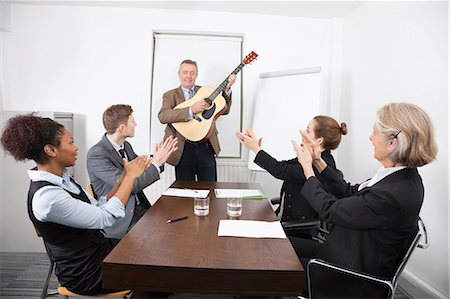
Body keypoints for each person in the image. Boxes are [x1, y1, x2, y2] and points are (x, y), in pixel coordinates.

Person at [292, 102, 437, 297]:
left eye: (375, 132)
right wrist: (318, 161)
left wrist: (308, 170)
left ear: (392, 142)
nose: (371, 137)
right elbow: (348, 191)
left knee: (271, 265)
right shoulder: (398, 177)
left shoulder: (393, 194)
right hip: (342, 253)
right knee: (278, 243)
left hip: (346, 277)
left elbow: (330, 210)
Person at [0, 113, 152, 295]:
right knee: (156, 272)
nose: (76, 148)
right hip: (87, 273)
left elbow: (99, 206)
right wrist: (130, 177)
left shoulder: (63, 180)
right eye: (71, 142)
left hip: (99, 251)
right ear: (51, 150)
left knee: (154, 253)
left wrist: (122, 180)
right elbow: (105, 218)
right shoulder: (47, 198)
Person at [236, 116, 346, 258]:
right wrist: (257, 149)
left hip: (298, 229)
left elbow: (280, 171)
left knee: (251, 243)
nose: (303, 134)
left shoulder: (320, 164)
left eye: (307, 130)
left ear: (319, 140)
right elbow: (281, 166)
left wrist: (256, 149)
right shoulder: (309, 156)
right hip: (286, 221)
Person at [87, 104, 178, 239]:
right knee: (163, 236)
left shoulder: (126, 146)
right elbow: (131, 185)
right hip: (121, 219)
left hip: (139, 208)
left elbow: (140, 169)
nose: (136, 124)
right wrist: (156, 163)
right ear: (122, 128)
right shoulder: (97, 154)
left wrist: (157, 158)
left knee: (174, 222)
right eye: (132, 121)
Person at [158, 59, 236, 182]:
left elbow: (224, 110)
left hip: (206, 146)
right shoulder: (170, 95)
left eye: (192, 73)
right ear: (179, 74)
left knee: (210, 188)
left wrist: (227, 90)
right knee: (185, 191)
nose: (188, 76)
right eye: (185, 72)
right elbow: (163, 116)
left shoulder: (206, 92)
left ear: (196, 75)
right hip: (183, 148)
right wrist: (190, 110)